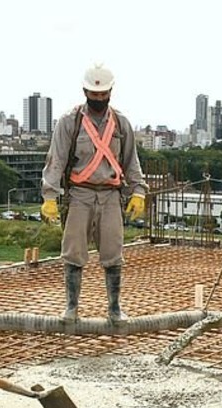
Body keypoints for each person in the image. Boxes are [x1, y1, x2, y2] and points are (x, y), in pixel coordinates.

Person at [40, 62, 148, 323]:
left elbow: (131, 160)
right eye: (93, 94)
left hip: (111, 195)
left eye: (102, 94)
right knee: (73, 252)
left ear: (111, 91)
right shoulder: (70, 121)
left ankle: (114, 308)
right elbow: (56, 159)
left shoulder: (121, 123)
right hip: (80, 194)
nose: (98, 98)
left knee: (113, 252)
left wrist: (139, 191)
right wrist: (50, 197)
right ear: (85, 92)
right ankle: (71, 307)